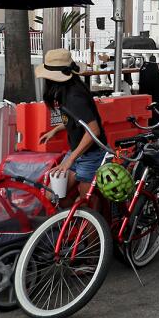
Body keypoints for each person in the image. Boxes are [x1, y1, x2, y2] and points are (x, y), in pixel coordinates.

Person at [35, 49, 107, 207]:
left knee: (87, 203)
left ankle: (95, 230)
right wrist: (55, 130)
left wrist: (69, 161)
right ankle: (70, 227)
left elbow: (93, 131)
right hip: (78, 152)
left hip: (91, 154)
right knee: (53, 196)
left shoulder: (74, 97)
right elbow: (76, 120)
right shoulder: (65, 92)